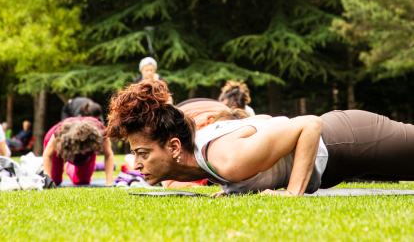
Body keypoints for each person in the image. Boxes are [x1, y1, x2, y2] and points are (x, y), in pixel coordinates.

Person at [105, 80, 414, 197]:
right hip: (342, 160)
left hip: (346, 139)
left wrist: (292, 193)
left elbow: (308, 124)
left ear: (174, 147)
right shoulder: (210, 155)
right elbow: (263, 122)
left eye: (142, 152)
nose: (136, 163)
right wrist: (236, 188)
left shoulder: (227, 160)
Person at [43, 117, 114, 186]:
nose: (83, 153)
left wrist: (109, 182)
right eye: (82, 149)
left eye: (86, 148)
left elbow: (108, 155)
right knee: (55, 181)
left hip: (85, 150)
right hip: (59, 148)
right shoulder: (60, 133)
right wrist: (47, 179)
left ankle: (69, 167)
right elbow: (47, 155)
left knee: (82, 181)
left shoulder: (100, 132)